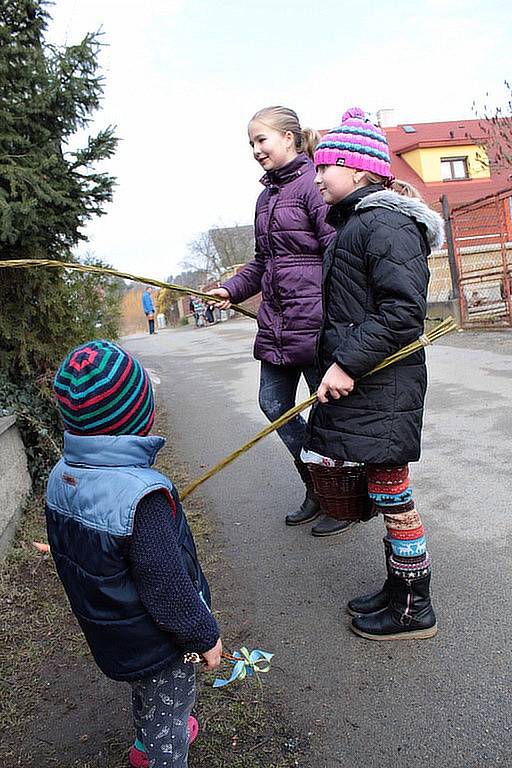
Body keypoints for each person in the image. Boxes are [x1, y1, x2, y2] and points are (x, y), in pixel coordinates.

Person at [302, 107, 445, 640]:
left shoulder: (382, 223)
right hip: (374, 383)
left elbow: (402, 313)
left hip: (384, 383)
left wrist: (344, 363)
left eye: (324, 168)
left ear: (359, 170)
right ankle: (399, 586)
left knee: (393, 490)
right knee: (387, 490)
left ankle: (414, 604)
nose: (316, 178)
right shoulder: (359, 223)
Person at [45, 340, 222, 767]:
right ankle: (159, 750)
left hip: (112, 632)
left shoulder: (59, 478)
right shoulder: (141, 500)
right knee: (170, 706)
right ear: (141, 417)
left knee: (145, 688)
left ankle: (146, 740)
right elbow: (169, 588)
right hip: (158, 641)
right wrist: (205, 636)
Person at [209, 106, 350, 537]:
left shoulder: (313, 184)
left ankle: (339, 502)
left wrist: (339, 315)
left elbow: (336, 252)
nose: (255, 150)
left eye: (261, 140)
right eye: (250, 143)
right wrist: (229, 290)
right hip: (277, 323)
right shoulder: (265, 197)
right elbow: (261, 263)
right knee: (273, 407)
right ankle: (315, 485)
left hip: (315, 323)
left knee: (327, 418)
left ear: (289, 138)